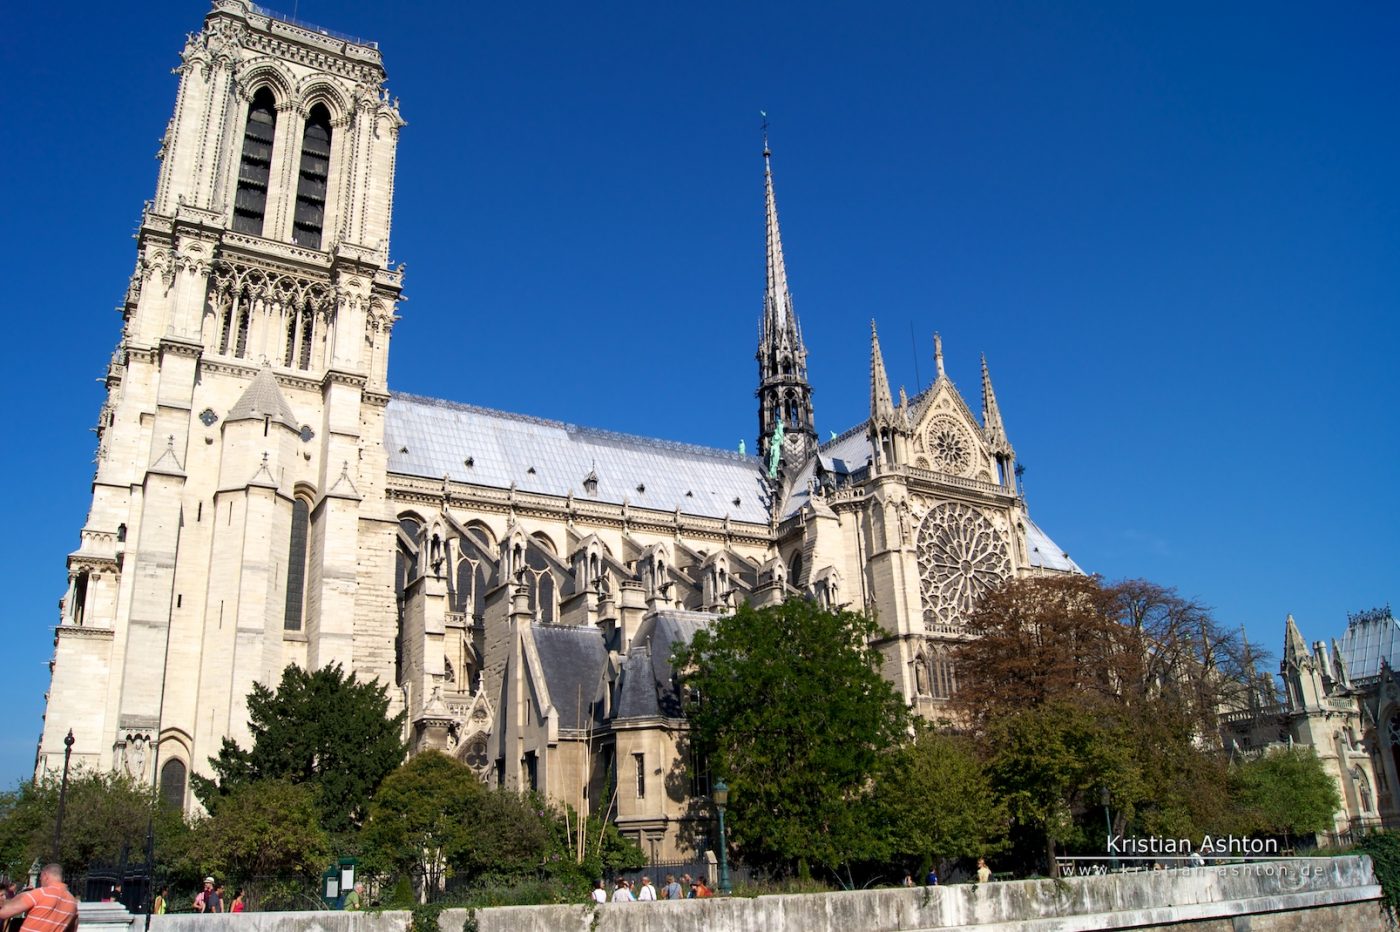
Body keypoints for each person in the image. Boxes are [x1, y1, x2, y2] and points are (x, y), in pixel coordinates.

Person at [0, 864, 77, 932]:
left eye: (40, 876)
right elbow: (73, 928)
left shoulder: (40, 893)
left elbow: (4, 913)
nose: (40, 880)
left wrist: (20, 896)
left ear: (45, 875)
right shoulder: (72, 901)